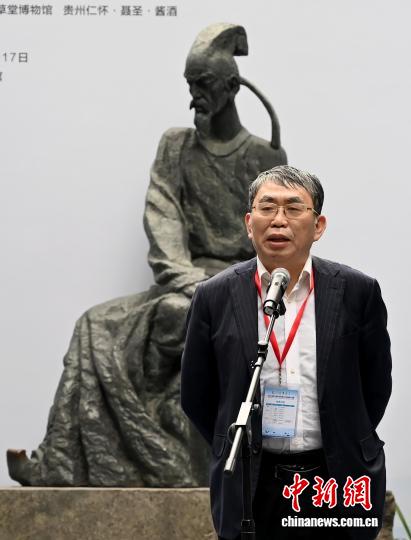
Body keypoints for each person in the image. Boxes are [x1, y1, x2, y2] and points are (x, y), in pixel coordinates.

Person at [7, 23, 287, 487]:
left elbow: (279, 243)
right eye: (190, 85)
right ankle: (60, 464)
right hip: (182, 277)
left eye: (203, 85)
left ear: (231, 87)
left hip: (239, 285)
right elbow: (163, 216)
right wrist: (186, 277)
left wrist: (234, 286)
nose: (194, 97)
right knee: (95, 323)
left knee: (180, 314)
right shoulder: (175, 146)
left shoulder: (262, 157)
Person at [181, 165, 392, 539]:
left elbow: (375, 387)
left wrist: (345, 435)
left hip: (336, 476)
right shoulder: (214, 296)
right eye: (267, 208)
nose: (279, 220)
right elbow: (197, 394)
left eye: (293, 208)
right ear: (249, 223)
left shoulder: (357, 291)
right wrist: (235, 445)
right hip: (253, 482)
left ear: (318, 226)